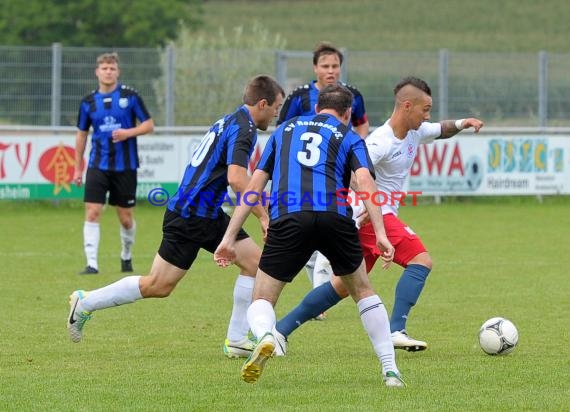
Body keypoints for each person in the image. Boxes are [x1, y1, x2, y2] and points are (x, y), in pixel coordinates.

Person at [67, 75, 285, 360]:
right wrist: (263, 216)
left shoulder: (229, 120)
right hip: (194, 215)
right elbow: (237, 179)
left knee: (246, 266)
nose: (275, 115)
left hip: (197, 211)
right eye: (276, 109)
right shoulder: (244, 129)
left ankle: (235, 339)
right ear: (263, 103)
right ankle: (86, 302)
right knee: (160, 285)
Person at [273, 76, 484, 354]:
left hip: (370, 219)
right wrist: (362, 206)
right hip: (372, 216)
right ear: (407, 106)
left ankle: (280, 330)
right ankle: (396, 329)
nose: (428, 116)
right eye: (426, 109)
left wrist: (462, 124)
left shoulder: (414, 131)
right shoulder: (380, 142)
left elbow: (440, 130)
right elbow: (350, 174)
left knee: (342, 286)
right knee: (421, 260)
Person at [214, 84, 406, 388]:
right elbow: (366, 182)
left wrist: (228, 237)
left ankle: (266, 335)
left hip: (289, 217)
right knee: (363, 292)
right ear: (347, 114)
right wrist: (381, 232)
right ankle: (390, 370)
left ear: (317, 108)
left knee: (262, 297)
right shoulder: (350, 136)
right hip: (335, 217)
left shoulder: (284, 130)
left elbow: (253, 189)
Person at [277, 41, 370, 303]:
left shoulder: (353, 95)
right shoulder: (298, 97)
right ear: (315, 68)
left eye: (335, 66)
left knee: (337, 224)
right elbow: (282, 132)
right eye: (325, 66)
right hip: (304, 176)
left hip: (339, 172)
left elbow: (362, 125)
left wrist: (357, 150)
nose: (331, 70)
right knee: (314, 230)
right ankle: (321, 292)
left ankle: (321, 295)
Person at [73, 52, 155, 275]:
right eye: (104, 68)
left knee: (126, 218)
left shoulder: (130, 97)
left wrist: (129, 132)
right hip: (98, 165)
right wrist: (77, 167)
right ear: (97, 72)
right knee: (92, 212)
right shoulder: (88, 102)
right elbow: (81, 135)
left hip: (125, 167)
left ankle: (126, 256)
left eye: (112, 68)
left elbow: (149, 125)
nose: (108, 72)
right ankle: (92, 264)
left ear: (117, 72)